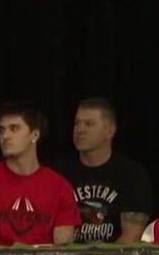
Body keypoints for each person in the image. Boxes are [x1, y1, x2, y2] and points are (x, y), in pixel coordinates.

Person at [0, 101, 79, 246]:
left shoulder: (60, 186)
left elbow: (63, 253)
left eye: (14, 129)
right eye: (2, 130)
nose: (5, 136)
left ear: (34, 134)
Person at [54, 97, 152, 243]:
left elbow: (131, 237)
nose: (80, 129)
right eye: (77, 123)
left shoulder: (132, 175)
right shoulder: (58, 173)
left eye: (89, 124)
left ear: (110, 131)